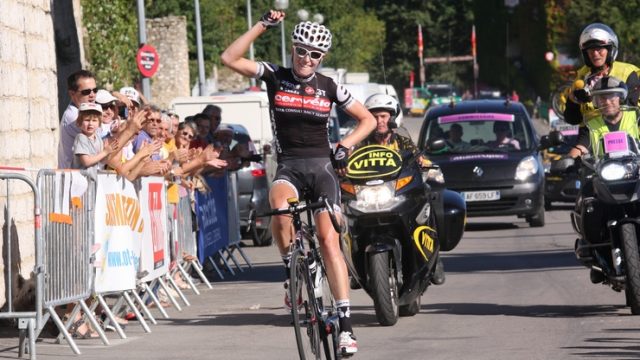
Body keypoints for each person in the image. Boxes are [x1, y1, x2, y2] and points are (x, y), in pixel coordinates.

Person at [221, 10, 376, 355]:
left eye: (315, 54)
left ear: (323, 59)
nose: (307, 59)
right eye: (302, 51)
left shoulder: (329, 86)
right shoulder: (275, 75)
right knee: (278, 210)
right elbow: (228, 58)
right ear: (293, 49)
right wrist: (263, 25)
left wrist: (344, 146)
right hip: (289, 166)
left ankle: (346, 327)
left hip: (322, 168)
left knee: (327, 240)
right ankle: (291, 266)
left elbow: (365, 119)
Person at [358, 93, 446, 285]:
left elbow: (417, 157)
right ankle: (353, 264)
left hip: (399, 191)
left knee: (430, 199)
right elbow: (348, 161)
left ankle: (435, 257)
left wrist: (425, 163)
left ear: (392, 117)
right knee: (342, 213)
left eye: (383, 116)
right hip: (370, 194)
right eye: (374, 116)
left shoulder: (402, 139)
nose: (379, 121)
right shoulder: (361, 141)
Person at [564, 23, 640, 157]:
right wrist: (574, 100)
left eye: (600, 49)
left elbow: (631, 111)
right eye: (590, 50)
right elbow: (573, 119)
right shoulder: (581, 77)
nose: (595, 53)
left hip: (630, 137)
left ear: (610, 49)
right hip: (592, 136)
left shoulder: (627, 72)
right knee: (568, 163)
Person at [71, 103, 119, 173]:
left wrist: (108, 152)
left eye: (94, 120)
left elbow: (102, 162)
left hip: (93, 179)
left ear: (99, 123)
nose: (90, 123)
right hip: (80, 180)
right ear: (79, 122)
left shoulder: (98, 138)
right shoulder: (81, 138)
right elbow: (86, 162)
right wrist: (105, 152)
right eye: (87, 120)